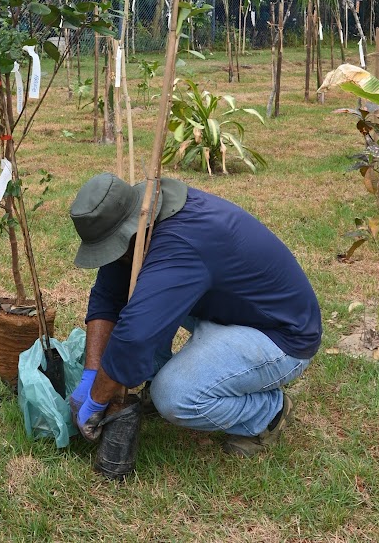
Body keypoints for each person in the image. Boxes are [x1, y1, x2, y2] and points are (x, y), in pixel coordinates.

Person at [67, 172, 322, 456]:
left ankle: (268, 413)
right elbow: (108, 295)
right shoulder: (142, 220)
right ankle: (161, 373)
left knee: (174, 396)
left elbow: (135, 337)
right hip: (230, 308)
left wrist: (96, 399)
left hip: (280, 335)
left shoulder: (180, 244)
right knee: (136, 294)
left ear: (128, 229)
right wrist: (91, 374)